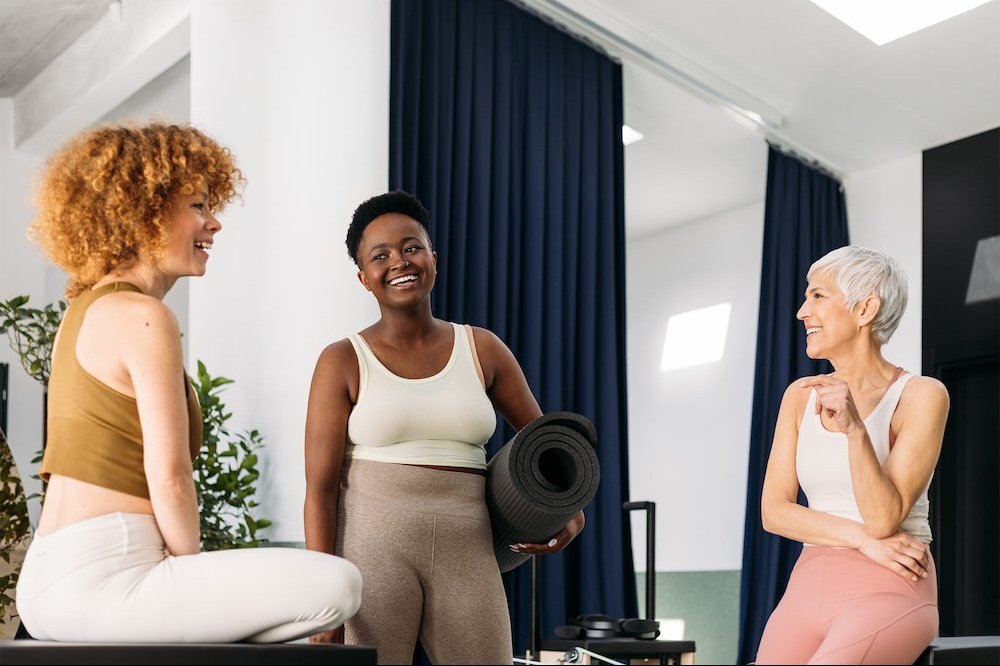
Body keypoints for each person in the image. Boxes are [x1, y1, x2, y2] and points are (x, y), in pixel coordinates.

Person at [16, 123, 362, 643]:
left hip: (47, 576)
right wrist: (191, 574)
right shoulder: (145, 316)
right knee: (341, 583)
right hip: (108, 576)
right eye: (198, 205)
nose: (214, 222)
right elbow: (171, 476)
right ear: (143, 212)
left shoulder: (82, 312)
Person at [304, 190, 585, 664]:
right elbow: (320, 489)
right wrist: (324, 600)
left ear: (433, 257)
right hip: (371, 550)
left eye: (411, 246)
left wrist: (569, 511)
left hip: (468, 547)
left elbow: (546, 446)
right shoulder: (342, 360)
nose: (400, 261)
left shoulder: (483, 349)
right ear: (363, 278)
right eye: (380, 255)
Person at [756, 246, 949, 665]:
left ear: (865, 309)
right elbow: (774, 512)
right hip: (808, 584)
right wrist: (861, 538)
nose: (802, 311)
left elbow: (884, 518)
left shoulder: (921, 395)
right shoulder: (799, 397)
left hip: (892, 585)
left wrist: (855, 430)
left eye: (819, 296)